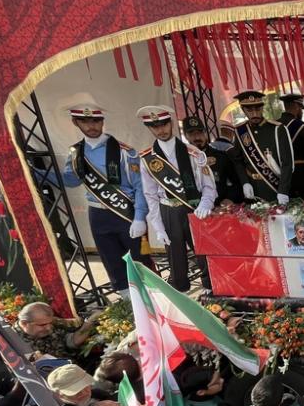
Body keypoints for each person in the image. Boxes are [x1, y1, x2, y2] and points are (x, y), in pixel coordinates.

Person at [61, 103, 150, 297]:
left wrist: (140, 217)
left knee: (140, 261)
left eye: (96, 120)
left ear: (102, 121)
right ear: (75, 122)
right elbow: (71, 181)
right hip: (98, 213)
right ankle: (127, 301)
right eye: (84, 121)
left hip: (125, 211)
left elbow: (140, 186)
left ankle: (152, 299)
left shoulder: (125, 151)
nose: (91, 126)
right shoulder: (75, 152)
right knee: (112, 260)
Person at [136, 106, 217, 293]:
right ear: (149, 128)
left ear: (171, 123)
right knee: (175, 258)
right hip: (168, 210)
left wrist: (206, 203)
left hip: (194, 208)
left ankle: (211, 290)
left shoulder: (193, 152)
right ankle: (181, 293)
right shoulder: (147, 158)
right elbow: (150, 195)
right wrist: (157, 225)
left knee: (203, 253)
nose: (160, 130)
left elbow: (208, 185)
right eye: (154, 126)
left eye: (164, 124)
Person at [229, 90, 294, 203]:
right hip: (253, 191)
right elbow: (238, 161)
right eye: (249, 110)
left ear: (262, 107)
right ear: (243, 110)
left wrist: (283, 191)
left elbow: (287, 163)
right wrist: (245, 182)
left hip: (276, 189)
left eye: (258, 109)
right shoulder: (240, 131)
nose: (254, 114)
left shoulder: (277, 129)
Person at [182, 115, 242, 205]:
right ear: (186, 136)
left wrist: (230, 198)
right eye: (192, 134)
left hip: (218, 207)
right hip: (193, 208)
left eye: (200, 132)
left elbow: (237, 184)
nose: (197, 137)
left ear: (205, 133)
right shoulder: (182, 160)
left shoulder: (221, 156)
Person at [14, 303, 100, 360]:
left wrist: (90, 322)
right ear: (24, 323)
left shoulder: (51, 321)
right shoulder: (13, 343)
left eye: (50, 323)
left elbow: (71, 339)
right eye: (42, 325)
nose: (49, 328)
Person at [278, 93, 304, 201]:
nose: (302, 112)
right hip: (300, 178)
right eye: (301, 108)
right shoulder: (301, 126)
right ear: (296, 107)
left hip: (278, 177)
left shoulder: (274, 125)